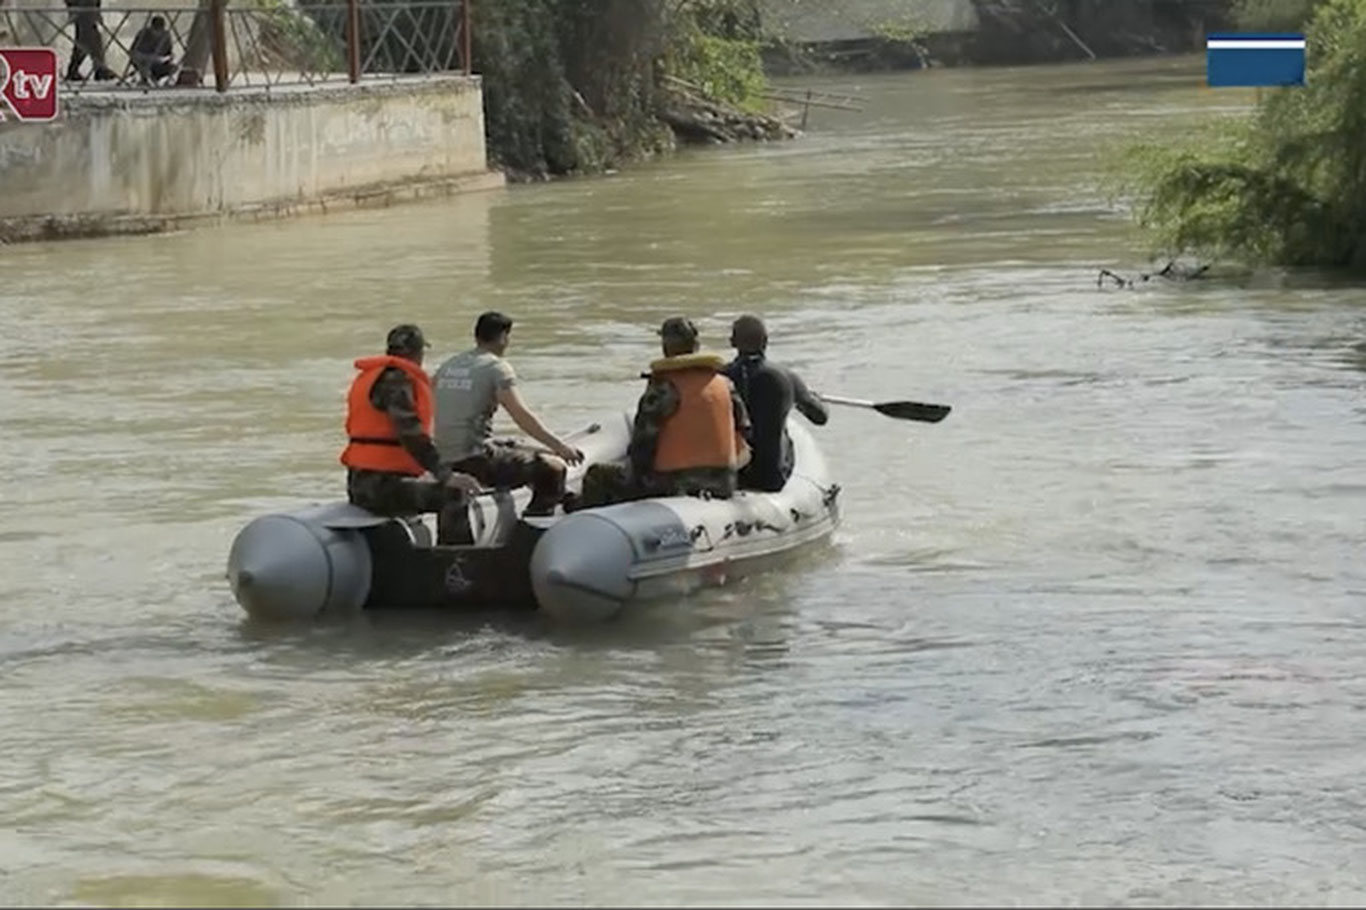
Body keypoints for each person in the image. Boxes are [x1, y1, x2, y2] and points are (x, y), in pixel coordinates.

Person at [577, 317, 751, 508]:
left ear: (665, 347)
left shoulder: (664, 387)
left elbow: (643, 443)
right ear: (696, 345)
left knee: (597, 474)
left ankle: (583, 515)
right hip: (723, 482)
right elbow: (744, 431)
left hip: (670, 484)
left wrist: (635, 475)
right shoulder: (724, 384)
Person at [433, 311, 583, 518]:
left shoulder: (448, 366)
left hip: (440, 457)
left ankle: (565, 496)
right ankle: (536, 521)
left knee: (514, 443)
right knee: (553, 468)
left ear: (476, 336)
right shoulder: (496, 367)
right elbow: (521, 416)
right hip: (474, 461)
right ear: (504, 337)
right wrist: (560, 448)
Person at [340, 324, 481, 520]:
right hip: (382, 488)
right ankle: (454, 542)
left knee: (430, 485)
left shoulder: (370, 377)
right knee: (455, 495)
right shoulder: (398, 381)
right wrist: (445, 475)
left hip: (361, 482)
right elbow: (410, 433)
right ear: (418, 353)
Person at [723, 314, 829, 492]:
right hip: (770, 478)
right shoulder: (786, 376)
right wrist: (809, 396)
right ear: (765, 341)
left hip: (732, 477)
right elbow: (820, 417)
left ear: (732, 342)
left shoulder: (718, 379)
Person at [64, 0, 116, 82]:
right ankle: (99, 68)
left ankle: (75, 69)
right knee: (90, 35)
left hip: (84, 7)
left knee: (85, 36)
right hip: (83, 7)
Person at [130, 15, 175, 85]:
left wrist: (169, 57)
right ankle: (147, 77)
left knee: (174, 67)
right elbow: (133, 51)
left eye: (160, 29)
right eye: (156, 29)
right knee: (142, 58)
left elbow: (169, 52)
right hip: (142, 59)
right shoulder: (143, 33)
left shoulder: (166, 35)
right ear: (152, 27)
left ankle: (152, 78)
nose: (158, 32)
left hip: (158, 60)